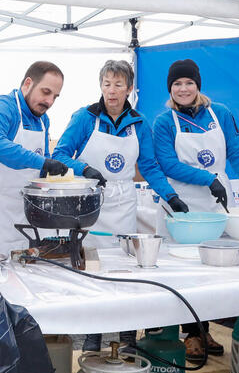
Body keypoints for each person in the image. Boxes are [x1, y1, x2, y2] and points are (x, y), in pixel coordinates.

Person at [53, 59, 185, 351]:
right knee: (93, 269)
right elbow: (60, 153)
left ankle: (127, 337)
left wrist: (170, 196)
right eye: (107, 84)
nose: (112, 91)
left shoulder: (139, 123)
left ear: (129, 89)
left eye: (118, 85)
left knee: (125, 271)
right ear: (100, 86)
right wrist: (83, 168)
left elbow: (149, 166)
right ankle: (92, 336)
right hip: (90, 204)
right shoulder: (85, 117)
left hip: (124, 203)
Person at [153, 58, 239, 362]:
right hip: (181, 204)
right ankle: (190, 333)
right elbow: (168, 164)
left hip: (216, 203)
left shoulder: (221, 114)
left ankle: (204, 330)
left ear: (198, 85)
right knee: (182, 271)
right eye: (177, 84)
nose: (183, 88)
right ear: (170, 88)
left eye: (188, 82)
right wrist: (208, 178)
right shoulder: (165, 122)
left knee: (211, 271)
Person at [0, 61, 69, 254]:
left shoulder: (43, 120)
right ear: (27, 84)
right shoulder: (1, 107)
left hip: (21, 210)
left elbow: (45, 159)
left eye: (55, 97)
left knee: (21, 269)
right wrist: (42, 162)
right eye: (45, 92)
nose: (49, 101)